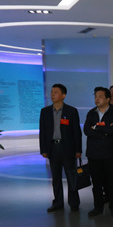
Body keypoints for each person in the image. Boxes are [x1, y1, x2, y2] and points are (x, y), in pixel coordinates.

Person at [39, 83, 82, 212]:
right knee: (56, 178)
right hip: (53, 148)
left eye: (56, 92)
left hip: (68, 148)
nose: (52, 94)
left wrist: (78, 150)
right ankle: (58, 202)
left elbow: (76, 132)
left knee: (71, 177)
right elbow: (43, 132)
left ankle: (74, 203)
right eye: (52, 92)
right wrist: (43, 149)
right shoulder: (45, 111)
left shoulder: (71, 111)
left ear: (63, 95)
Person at [83, 87, 113, 217]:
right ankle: (98, 207)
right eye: (95, 96)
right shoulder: (91, 113)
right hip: (94, 154)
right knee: (96, 183)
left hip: (110, 153)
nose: (97, 99)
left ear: (107, 99)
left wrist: (96, 128)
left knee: (111, 182)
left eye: (100, 96)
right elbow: (87, 130)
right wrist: (104, 131)